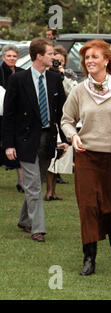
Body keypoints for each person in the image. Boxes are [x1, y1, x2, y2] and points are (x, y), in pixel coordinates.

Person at [61, 39, 111, 276]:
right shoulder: (78, 91)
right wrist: (72, 136)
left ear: (107, 60)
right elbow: (66, 120)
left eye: (94, 57)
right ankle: (89, 257)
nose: (89, 61)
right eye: (86, 58)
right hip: (86, 157)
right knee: (88, 207)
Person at [2, 37, 67, 242]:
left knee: (34, 184)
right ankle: (37, 228)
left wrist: (64, 139)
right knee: (34, 186)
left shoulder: (55, 78)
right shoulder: (18, 80)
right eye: (49, 54)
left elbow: (62, 113)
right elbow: (9, 115)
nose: (53, 57)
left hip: (48, 139)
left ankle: (24, 219)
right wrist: (9, 144)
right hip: (25, 140)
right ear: (39, 56)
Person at [44, 45, 77, 201]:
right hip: (52, 119)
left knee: (60, 158)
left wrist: (63, 76)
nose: (58, 63)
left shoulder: (67, 75)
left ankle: (53, 190)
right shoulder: (46, 75)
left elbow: (73, 94)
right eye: (55, 60)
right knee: (51, 158)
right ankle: (49, 191)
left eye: (61, 61)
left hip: (66, 118)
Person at [0, 44, 25, 193]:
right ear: (3, 57)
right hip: (1, 114)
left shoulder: (21, 72)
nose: (11, 58)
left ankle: (21, 182)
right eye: (8, 56)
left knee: (18, 148)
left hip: (16, 116)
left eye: (14, 56)